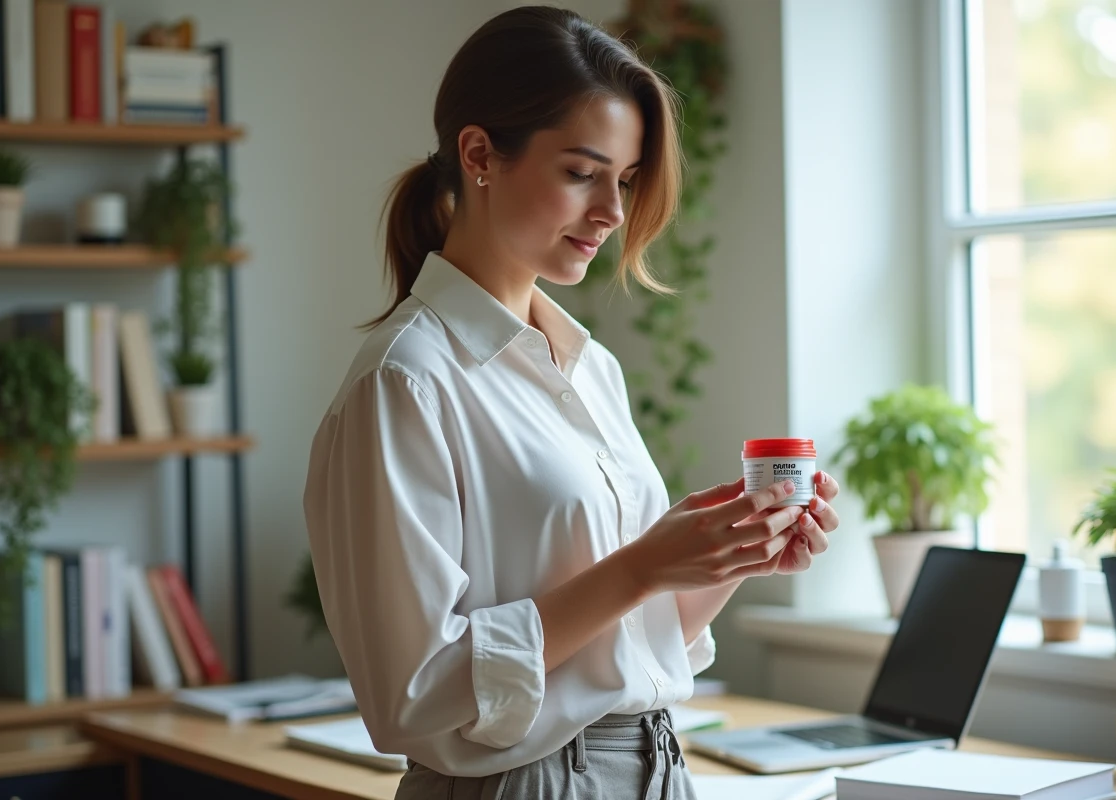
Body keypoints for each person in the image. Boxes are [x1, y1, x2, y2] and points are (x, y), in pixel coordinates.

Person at [301, 6, 839, 799]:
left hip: (652, 770)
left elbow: (620, 652)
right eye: (582, 173)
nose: (613, 214)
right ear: (479, 155)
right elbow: (413, 696)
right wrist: (641, 567)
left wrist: (728, 555)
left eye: (623, 180)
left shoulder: (592, 368)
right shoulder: (406, 382)